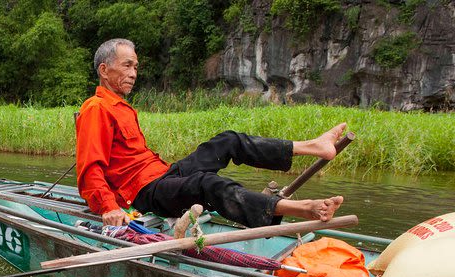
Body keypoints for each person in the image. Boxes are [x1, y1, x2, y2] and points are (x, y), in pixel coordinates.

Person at [76, 38, 346, 228]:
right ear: (104, 70)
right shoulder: (96, 108)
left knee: (228, 140)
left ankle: (314, 146)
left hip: (162, 175)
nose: (134, 73)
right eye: (126, 66)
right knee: (206, 184)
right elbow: (89, 170)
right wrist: (109, 207)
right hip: (142, 193)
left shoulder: (121, 107)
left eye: (135, 66)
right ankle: (303, 208)